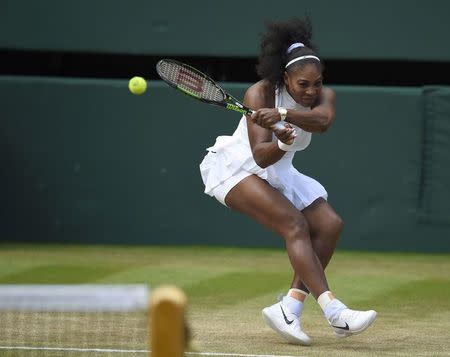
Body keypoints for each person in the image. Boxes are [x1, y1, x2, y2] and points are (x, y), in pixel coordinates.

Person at [199, 17, 376, 345]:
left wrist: (282, 116)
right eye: (302, 85)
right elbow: (261, 156)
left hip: (279, 171)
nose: (311, 91)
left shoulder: (324, 97)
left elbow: (322, 122)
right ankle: (334, 310)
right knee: (295, 225)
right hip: (237, 169)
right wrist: (281, 141)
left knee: (330, 224)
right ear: (285, 79)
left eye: (316, 83)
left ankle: (289, 307)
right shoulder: (260, 93)